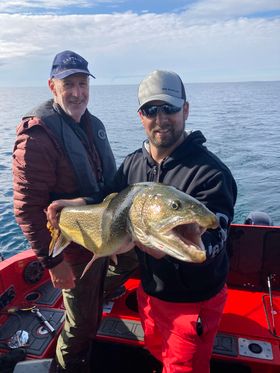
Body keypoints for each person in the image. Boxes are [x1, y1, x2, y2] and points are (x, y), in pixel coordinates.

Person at [47, 70, 237, 373]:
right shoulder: (135, 162)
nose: (160, 119)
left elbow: (215, 238)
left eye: (169, 109)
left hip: (191, 304)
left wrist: (165, 250)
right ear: (141, 116)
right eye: (151, 110)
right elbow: (107, 197)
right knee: (154, 352)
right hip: (149, 293)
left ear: (185, 110)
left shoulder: (211, 174)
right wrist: (74, 205)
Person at [12, 50, 117, 373]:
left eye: (82, 83)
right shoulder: (38, 136)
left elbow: (105, 184)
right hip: (69, 249)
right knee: (81, 323)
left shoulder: (90, 124)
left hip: (98, 237)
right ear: (52, 86)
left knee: (126, 264)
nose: (77, 92)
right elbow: (27, 209)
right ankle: (67, 367)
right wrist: (54, 263)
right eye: (68, 83)